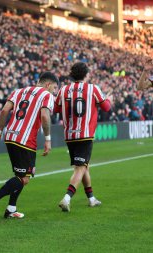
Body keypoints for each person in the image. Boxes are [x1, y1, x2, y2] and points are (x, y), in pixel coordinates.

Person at [0, 72, 58, 221]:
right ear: (48, 85)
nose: (54, 91)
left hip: (10, 135)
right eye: (54, 88)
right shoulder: (46, 95)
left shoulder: (19, 91)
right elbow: (44, 116)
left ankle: (11, 209)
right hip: (25, 140)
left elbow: (4, 111)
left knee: (20, 175)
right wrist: (48, 139)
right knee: (24, 178)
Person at [54, 62, 112, 212]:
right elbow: (106, 107)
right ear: (86, 74)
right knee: (80, 167)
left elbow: (56, 108)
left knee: (84, 166)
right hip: (85, 134)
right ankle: (67, 198)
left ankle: (91, 198)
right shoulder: (93, 88)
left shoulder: (63, 90)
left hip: (69, 135)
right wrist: (108, 99)